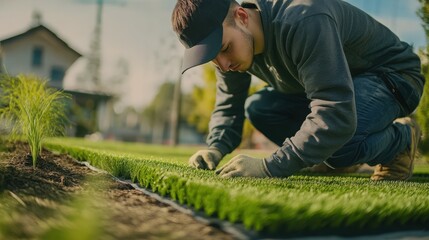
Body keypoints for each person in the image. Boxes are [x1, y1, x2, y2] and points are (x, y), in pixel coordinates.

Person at [171, 0, 425, 180]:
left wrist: (270, 167)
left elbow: (334, 114)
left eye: (225, 49)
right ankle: (333, 157)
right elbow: (229, 104)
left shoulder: (304, 19)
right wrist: (215, 147)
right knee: (260, 108)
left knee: (339, 141)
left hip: (392, 77)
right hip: (333, 88)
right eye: (213, 59)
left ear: (242, 16)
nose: (223, 66)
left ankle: (401, 139)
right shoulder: (231, 48)